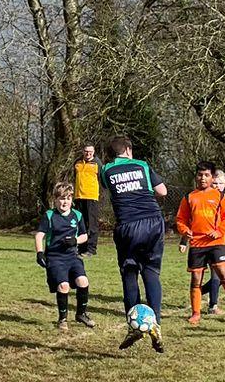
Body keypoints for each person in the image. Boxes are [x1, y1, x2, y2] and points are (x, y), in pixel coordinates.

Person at [102, 134, 169, 352]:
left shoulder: (106, 170)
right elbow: (162, 191)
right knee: (151, 272)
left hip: (128, 225)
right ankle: (155, 323)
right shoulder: (142, 165)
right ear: (129, 150)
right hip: (152, 222)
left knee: (129, 273)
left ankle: (134, 327)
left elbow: (107, 188)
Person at [175, 163, 225, 325]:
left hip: (216, 242)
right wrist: (184, 230)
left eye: (206, 175)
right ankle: (196, 313)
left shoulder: (220, 197)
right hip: (197, 244)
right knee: (196, 278)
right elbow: (181, 219)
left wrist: (219, 232)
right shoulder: (189, 197)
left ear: (212, 177)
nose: (202, 178)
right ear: (196, 176)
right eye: (200, 175)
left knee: (222, 272)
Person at [35, 181, 95, 330]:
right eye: (61, 198)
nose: (65, 202)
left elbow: (84, 236)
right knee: (64, 286)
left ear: (71, 200)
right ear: (55, 200)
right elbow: (39, 235)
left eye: (68, 198)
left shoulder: (77, 215)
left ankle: (81, 314)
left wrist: (75, 240)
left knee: (83, 281)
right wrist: (40, 253)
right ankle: (62, 319)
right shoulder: (50, 215)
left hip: (72, 257)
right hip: (55, 258)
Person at [202, 167, 225, 313]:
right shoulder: (205, 198)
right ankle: (213, 306)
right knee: (217, 274)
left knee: (222, 273)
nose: (217, 186)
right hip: (208, 241)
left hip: (222, 240)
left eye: (220, 183)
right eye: (215, 183)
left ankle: (198, 291)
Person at [73, 143, 102, 255]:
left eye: (90, 151)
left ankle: (91, 249)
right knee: (81, 224)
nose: (88, 153)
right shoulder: (77, 163)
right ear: (83, 151)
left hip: (92, 197)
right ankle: (81, 248)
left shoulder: (97, 163)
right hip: (79, 197)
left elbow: (102, 180)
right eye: (86, 151)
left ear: (93, 152)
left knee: (92, 224)